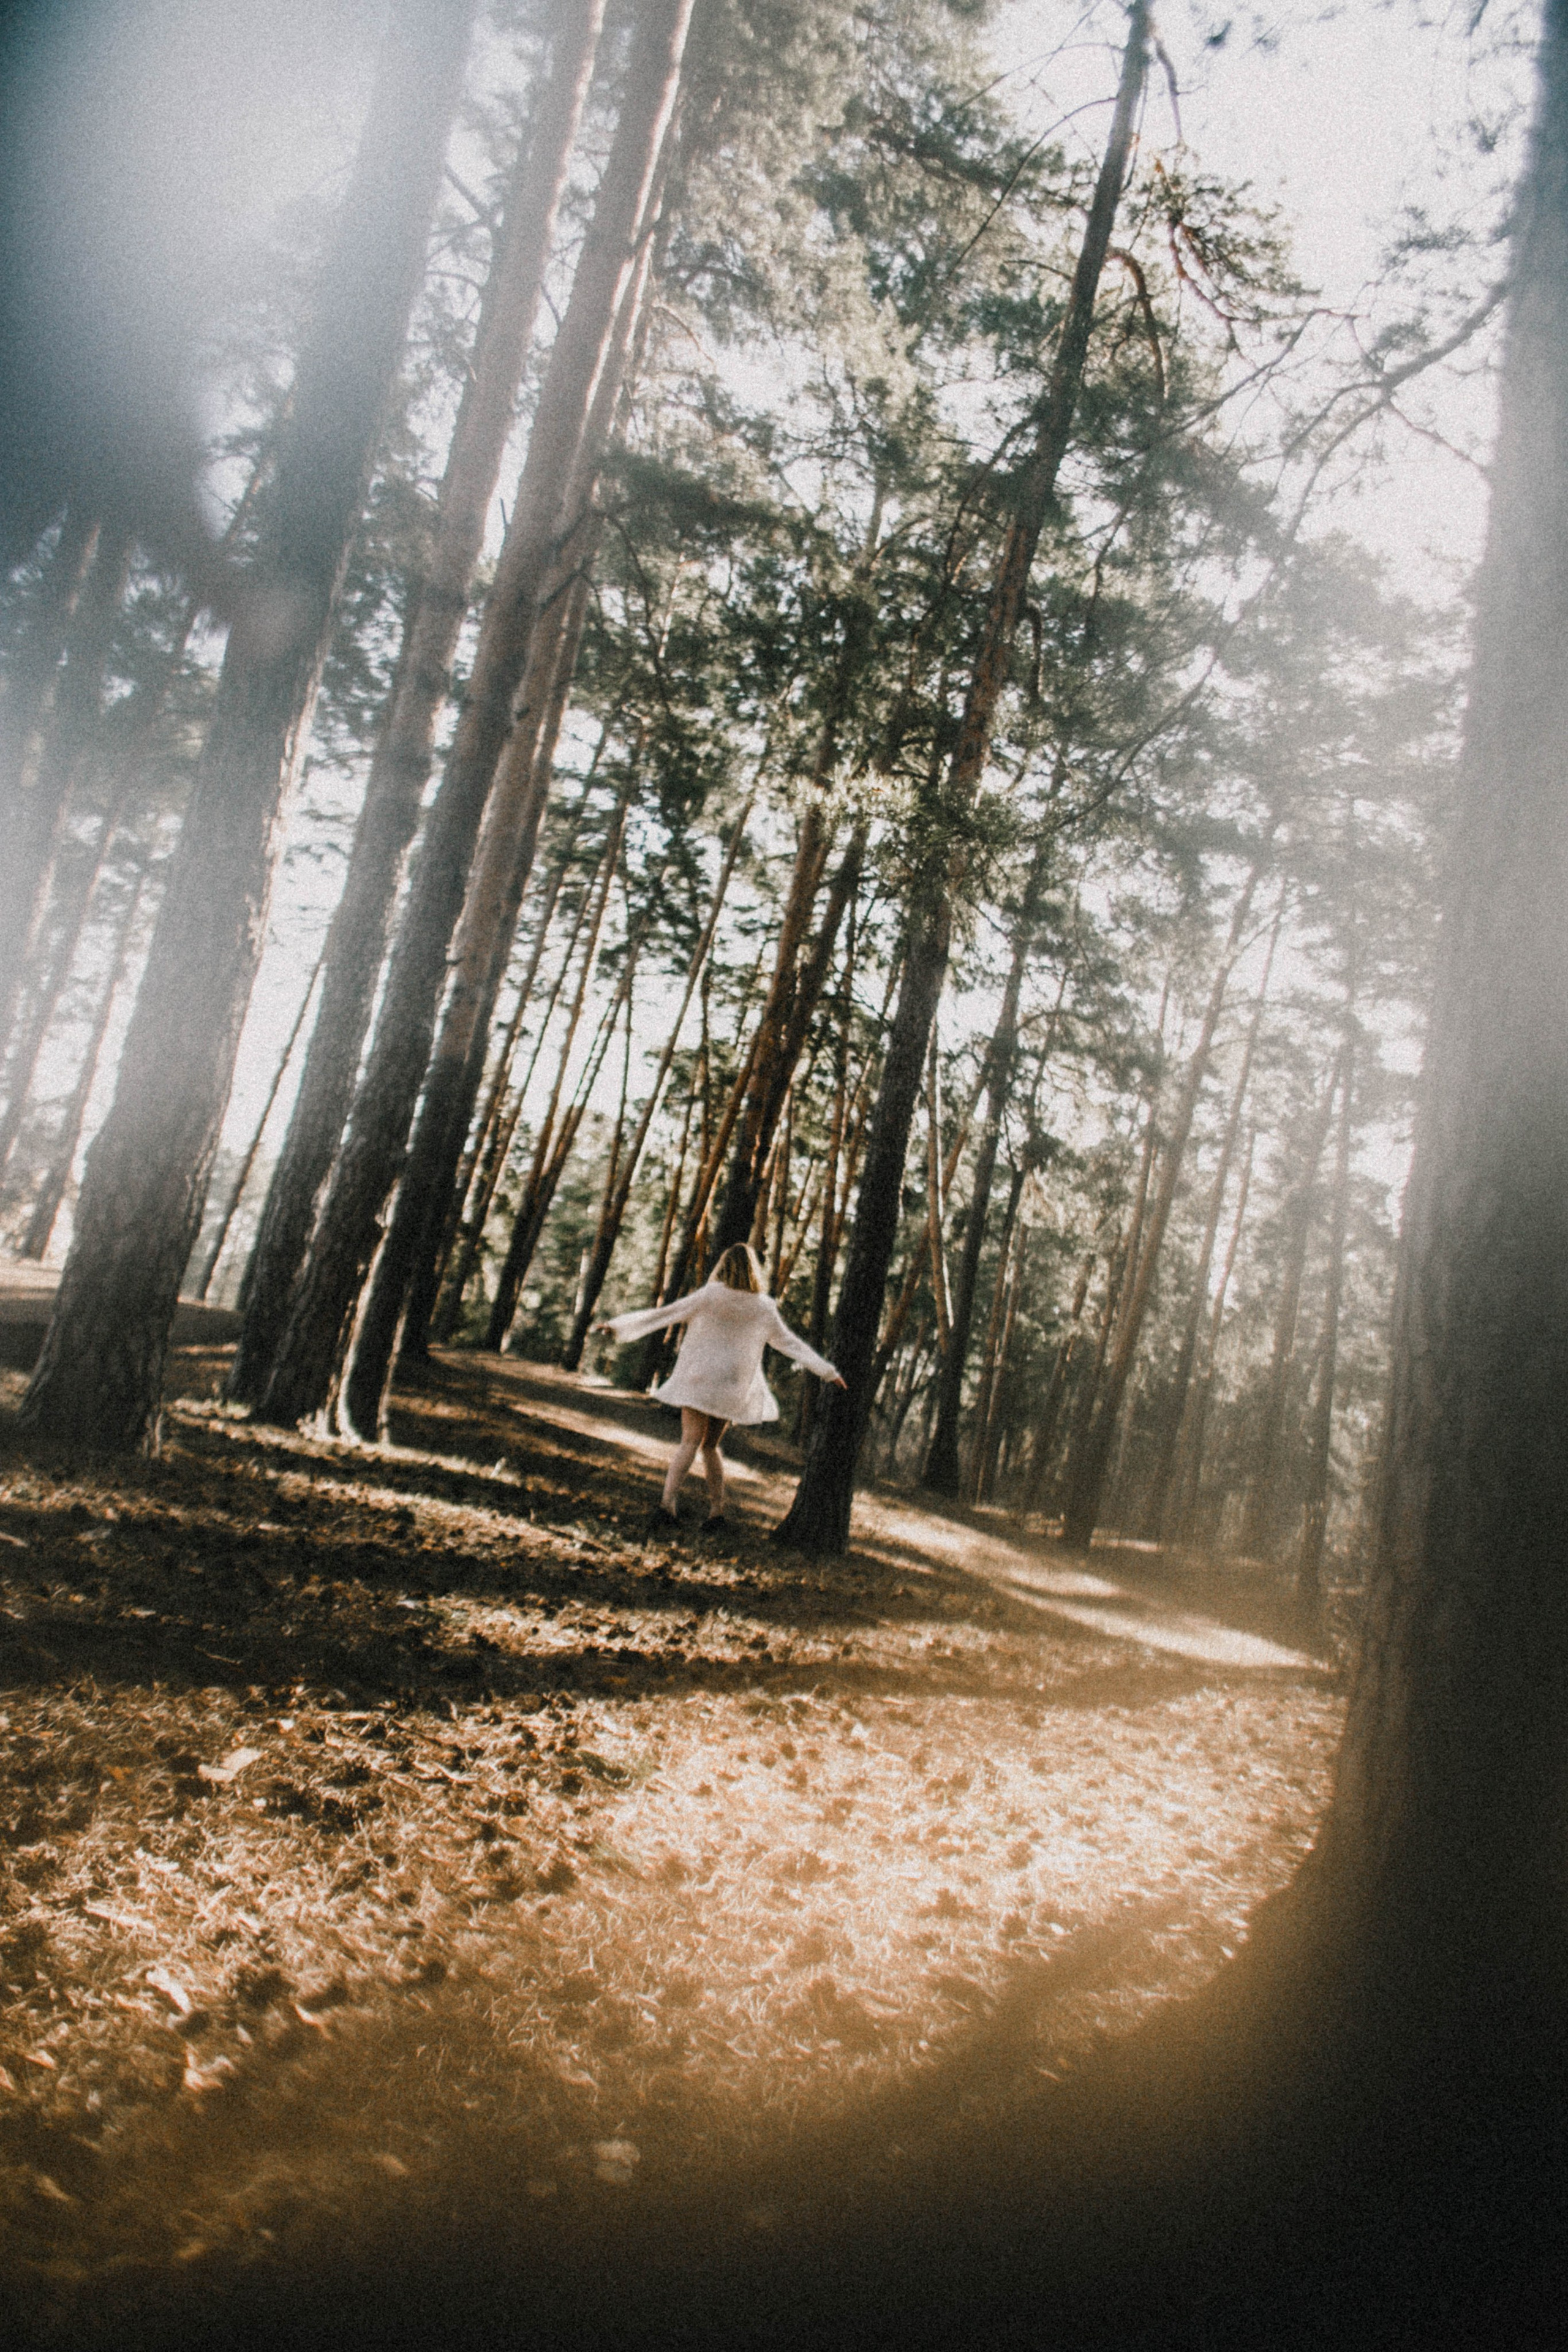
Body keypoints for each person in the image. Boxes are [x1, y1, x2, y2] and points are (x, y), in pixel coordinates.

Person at [597, 1243, 845, 1530]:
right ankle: (716, 1513)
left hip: (699, 1379)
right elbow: (790, 1344)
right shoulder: (764, 1306)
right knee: (711, 1446)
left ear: (724, 1267)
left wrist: (618, 1326)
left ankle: (667, 1506)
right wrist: (828, 1372)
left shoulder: (710, 1296)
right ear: (754, 1270)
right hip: (732, 1384)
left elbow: (665, 1314)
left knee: (690, 1442)